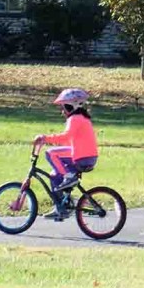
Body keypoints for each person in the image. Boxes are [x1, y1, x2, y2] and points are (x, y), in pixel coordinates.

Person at [32, 88, 98, 221]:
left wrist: (45, 138)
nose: (62, 111)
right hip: (86, 156)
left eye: (64, 107)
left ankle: (69, 177)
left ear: (70, 106)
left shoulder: (75, 118)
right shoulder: (81, 118)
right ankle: (61, 208)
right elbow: (70, 140)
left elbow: (66, 136)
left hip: (82, 157)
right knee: (54, 176)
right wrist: (54, 142)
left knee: (50, 153)